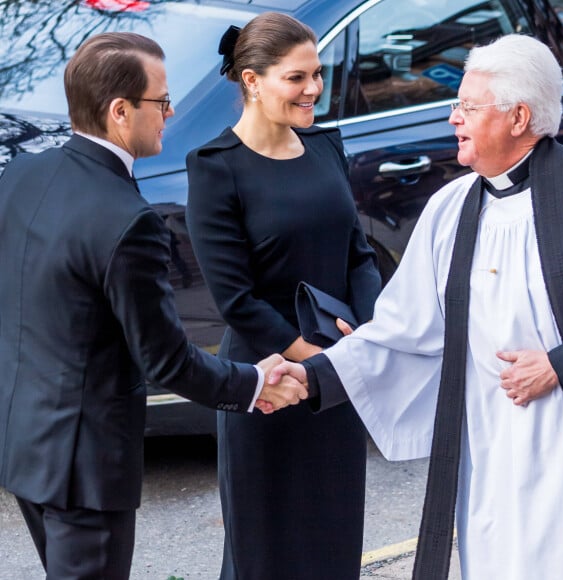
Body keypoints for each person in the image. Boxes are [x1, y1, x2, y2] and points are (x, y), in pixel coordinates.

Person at [0, 32, 307, 580]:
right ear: (120, 111)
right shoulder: (129, 219)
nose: (169, 112)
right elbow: (165, 359)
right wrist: (256, 384)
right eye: (161, 101)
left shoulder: (22, 174)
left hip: (21, 441)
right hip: (84, 468)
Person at [272, 34, 563, 580]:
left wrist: (561, 362)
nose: (452, 118)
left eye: (467, 106)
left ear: (518, 117)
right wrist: (311, 375)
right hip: (486, 444)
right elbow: (402, 329)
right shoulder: (451, 207)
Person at [185, 12, 382, 580]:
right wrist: (315, 359)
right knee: (265, 549)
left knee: (334, 536)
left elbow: (358, 255)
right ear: (252, 81)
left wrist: (366, 338)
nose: (313, 89)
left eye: (317, 73)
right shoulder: (216, 168)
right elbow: (236, 300)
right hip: (267, 381)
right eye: (296, 78)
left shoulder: (324, 147)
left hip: (333, 381)